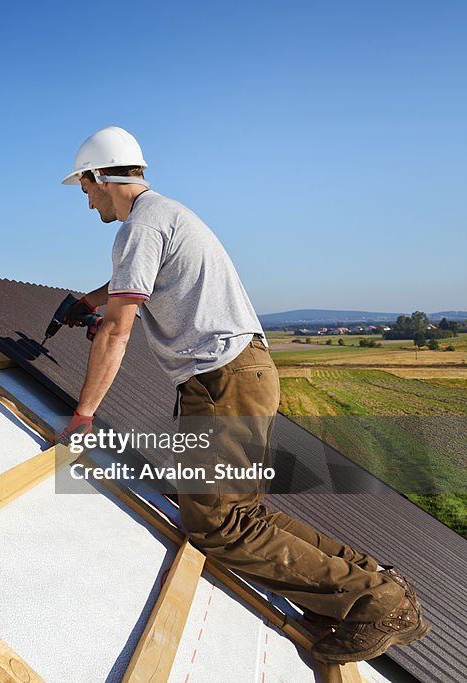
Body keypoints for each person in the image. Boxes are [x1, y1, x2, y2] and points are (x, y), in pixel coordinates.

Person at [52, 126, 430, 663]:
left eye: (84, 189)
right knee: (241, 514)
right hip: (241, 374)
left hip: (221, 380)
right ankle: (372, 585)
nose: (86, 202)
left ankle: (377, 603)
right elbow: (129, 291)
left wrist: (83, 415)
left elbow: (119, 328)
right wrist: (88, 300)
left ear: (98, 176)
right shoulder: (167, 214)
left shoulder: (138, 227)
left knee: (215, 524)